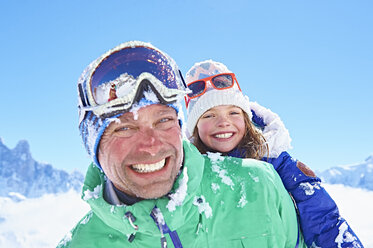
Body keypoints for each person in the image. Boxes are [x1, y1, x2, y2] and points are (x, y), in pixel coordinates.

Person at [57, 41, 307, 247]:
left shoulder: (258, 185)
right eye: (124, 128)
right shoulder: (83, 243)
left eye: (164, 120)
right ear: (94, 145)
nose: (151, 145)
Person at [184, 60, 364, 248]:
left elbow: (323, 219)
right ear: (195, 127)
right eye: (209, 115)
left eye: (233, 113)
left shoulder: (273, 159)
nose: (223, 122)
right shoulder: (190, 171)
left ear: (246, 120)